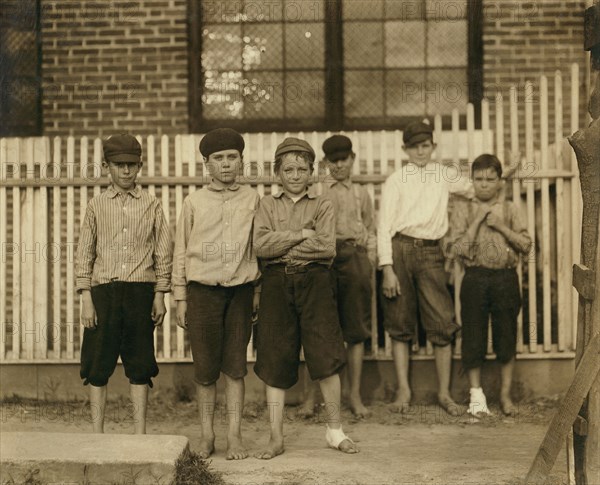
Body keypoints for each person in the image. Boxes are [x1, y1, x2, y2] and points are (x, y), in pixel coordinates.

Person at [253, 137, 359, 459]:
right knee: (274, 358)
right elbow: (261, 247)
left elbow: (326, 247)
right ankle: (275, 437)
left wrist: (281, 244)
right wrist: (301, 235)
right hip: (275, 284)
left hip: (316, 282)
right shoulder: (266, 205)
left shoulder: (323, 204)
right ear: (278, 172)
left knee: (326, 356)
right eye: (289, 169)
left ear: (311, 171)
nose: (296, 174)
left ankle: (334, 430)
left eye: (302, 168)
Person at [173, 128, 260, 460]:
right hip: (202, 294)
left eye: (232, 158)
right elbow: (181, 250)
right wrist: (180, 298)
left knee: (236, 368)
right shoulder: (194, 202)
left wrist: (258, 292)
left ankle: (234, 437)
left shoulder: (253, 199)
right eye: (218, 159)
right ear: (206, 164)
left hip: (240, 293)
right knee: (205, 370)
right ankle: (207, 436)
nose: (226, 165)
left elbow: (257, 248)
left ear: (241, 161)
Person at [77, 133, 172, 434]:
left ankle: (140, 433)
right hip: (103, 292)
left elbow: (163, 252)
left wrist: (159, 294)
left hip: (140, 291)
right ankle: (97, 434)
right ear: (107, 166)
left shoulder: (152, 204)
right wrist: (86, 297)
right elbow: (85, 253)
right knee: (97, 363)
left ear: (140, 166)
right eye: (119, 165)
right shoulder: (96, 206)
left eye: (132, 164)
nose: (126, 171)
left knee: (140, 362)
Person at [377, 120, 473, 416]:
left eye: (426, 146)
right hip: (400, 249)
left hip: (432, 251)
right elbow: (383, 227)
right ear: (405, 149)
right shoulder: (395, 180)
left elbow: (473, 188)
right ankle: (404, 391)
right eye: (414, 147)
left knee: (442, 321)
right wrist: (387, 268)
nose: (421, 151)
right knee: (399, 320)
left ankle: (444, 393)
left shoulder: (443, 174)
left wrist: (503, 175)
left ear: (433, 147)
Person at [447, 154, 531, 416]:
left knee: (506, 336)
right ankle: (476, 398)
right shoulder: (464, 209)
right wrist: (478, 220)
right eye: (479, 179)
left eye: (490, 179)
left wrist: (501, 227)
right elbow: (457, 249)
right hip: (475, 278)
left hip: (505, 278)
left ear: (499, 182)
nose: (484, 184)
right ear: (472, 181)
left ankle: (505, 397)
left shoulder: (510, 209)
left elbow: (526, 244)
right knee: (473, 336)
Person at [298, 135, 376, 419]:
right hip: (324, 260)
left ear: (353, 159)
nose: (340, 165)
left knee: (355, 331)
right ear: (325, 163)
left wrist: (370, 261)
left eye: (344, 159)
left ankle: (353, 396)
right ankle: (310, 398)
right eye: (334, 161)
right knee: (317, 329)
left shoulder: (361, 194)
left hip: (354, 257)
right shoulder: (317, 192)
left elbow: (370, 229)